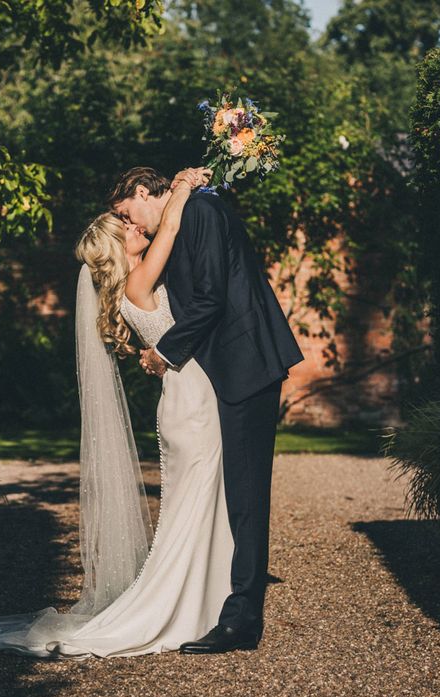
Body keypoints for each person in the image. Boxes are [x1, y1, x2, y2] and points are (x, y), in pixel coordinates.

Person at [0, 166, 242, 657]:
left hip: (186, 400)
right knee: (193, 509)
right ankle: (178, 607)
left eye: (132, 223)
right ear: (117, 250)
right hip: (191, 405)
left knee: (194, 509)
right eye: (126, 228)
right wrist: (184, 187)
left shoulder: (134, 287)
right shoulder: (138, 282)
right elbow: (168, 226)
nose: (137, 229)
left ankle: (204, 601)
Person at [110, 166, 304, 654]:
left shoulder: (204, 210)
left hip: (247, 365)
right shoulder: (187, 213)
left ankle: (242, 621)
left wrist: (162, 352)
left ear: (137, 193)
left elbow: (211, 298)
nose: (128, 224)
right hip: (229, 370)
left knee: (246, 495)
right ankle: (231, 603)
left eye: (124, 212)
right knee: (238, 493)